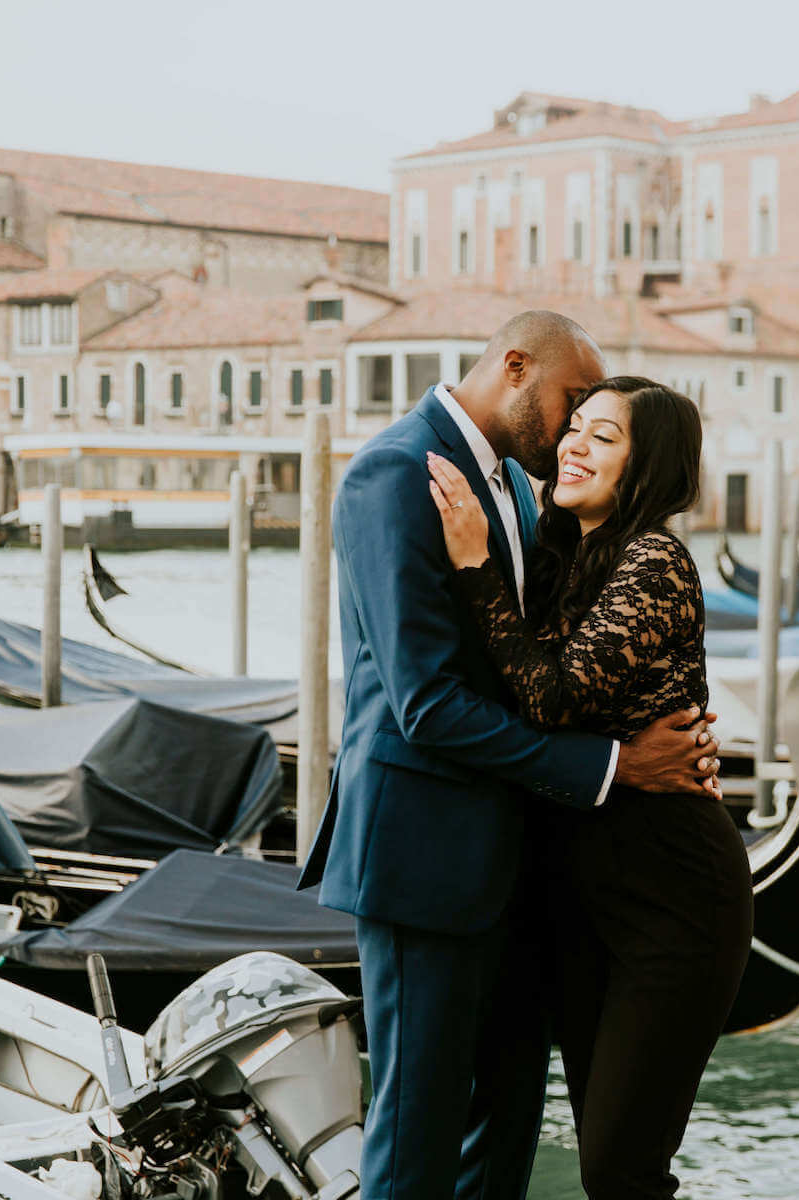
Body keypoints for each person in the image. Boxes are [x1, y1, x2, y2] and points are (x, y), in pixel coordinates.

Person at [297, 313, 721, 1200]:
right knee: (417, 1140)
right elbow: (426, 704)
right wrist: (615, 767)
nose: (572, 431)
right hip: (424, 856)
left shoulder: (527, 497)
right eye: (573, 403)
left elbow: (548, 667)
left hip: (524, 864)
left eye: (598, 424)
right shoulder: (394, 473)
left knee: (506, 1132)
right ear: (517, 367)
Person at [426, 376, 752, 1200]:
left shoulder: (655, 561)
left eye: (603, 437)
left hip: (673, 896)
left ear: (648, 466)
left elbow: (551, 698)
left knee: (621, 1169)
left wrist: (474, 565)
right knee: (604, 1161)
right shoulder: (563, 559)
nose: (573, 445)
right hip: (579, 897)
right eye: (573, 427)